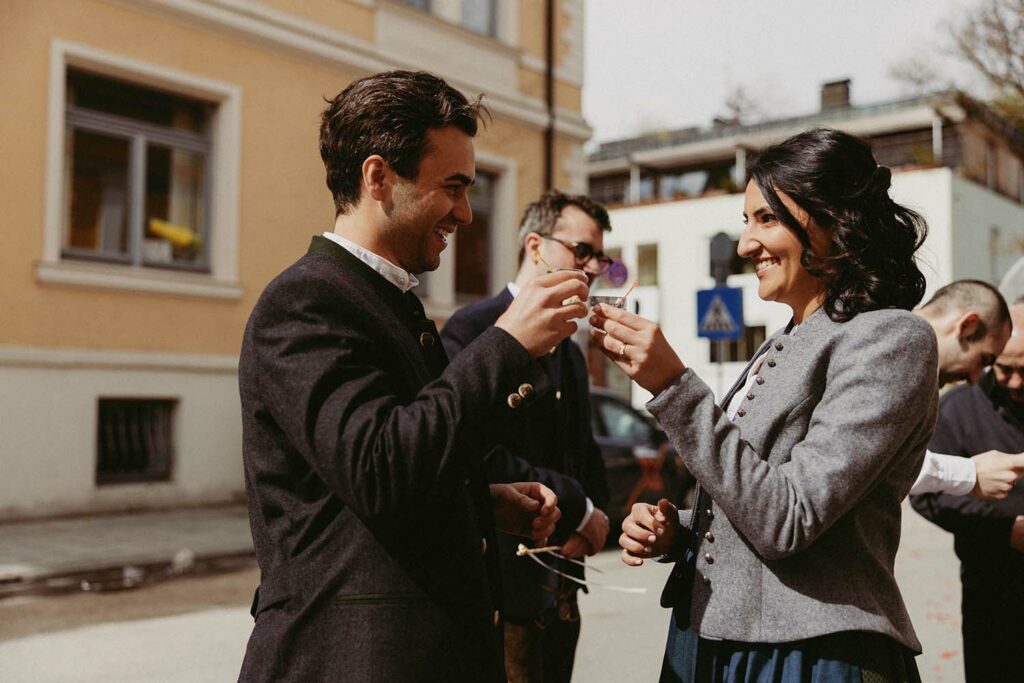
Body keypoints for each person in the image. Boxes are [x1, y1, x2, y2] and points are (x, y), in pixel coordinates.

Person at [237, 71, 592, 682]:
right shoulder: (305, 300)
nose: (466, 213)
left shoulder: (385, 298)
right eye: (452, 187)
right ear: (378, 178)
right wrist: (508, 343)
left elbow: (378, 480)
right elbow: (379, 468)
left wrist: (480, 502)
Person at [604, 128, 937, 681]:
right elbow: (755, 503)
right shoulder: (783, 339)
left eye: (768, 219)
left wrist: (673, 384)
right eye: (747, 222)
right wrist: (682, 531)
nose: (744, 245)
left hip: (814, 654)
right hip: (715, 641)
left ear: (833, 221)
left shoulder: (891, 340)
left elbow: (789, 519)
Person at [441, 190, 612, 683]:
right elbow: (476, 451)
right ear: (536, 245)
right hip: (500, 590)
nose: (594, 267)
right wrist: (577, 508)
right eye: (582, 251)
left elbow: (584, 450)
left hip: (561, 588)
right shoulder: (473, 328)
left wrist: (595, 518)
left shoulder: (572, 351)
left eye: (599, 256)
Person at [910, 301, 1024, 683]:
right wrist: (1004, 528)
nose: (1015, 382)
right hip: (993, 590)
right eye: (1004, 368)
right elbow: (926, 494)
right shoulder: (956, 409)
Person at [913, 281, 1024, 499]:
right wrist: (970, 473)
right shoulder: (887, 352)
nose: (975, 379)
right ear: (967, 326)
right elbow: (858, 464)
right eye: (984, 360)